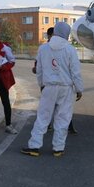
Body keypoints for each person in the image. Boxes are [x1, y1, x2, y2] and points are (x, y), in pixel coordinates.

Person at [21, 22, 83, 157]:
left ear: (55, 31)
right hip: (66, 88)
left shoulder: (43, 48)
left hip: (49, 87)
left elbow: (39, 70)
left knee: (43, 116)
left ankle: (34, 146)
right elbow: (75, 72)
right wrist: (79, 89)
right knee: (63, 117)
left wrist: (41, 85)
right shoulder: (70, 49)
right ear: (67, 34)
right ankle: (58, 148)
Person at [32, 27, 78, 135]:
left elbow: (73, 71)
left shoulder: (46, 49)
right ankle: (58, 147)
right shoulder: (68, 49)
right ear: (49, 36)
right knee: (57, 112)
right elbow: (37, 67)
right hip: (55, 85)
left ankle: (36, 144)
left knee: (58, 112)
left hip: (52, 85)